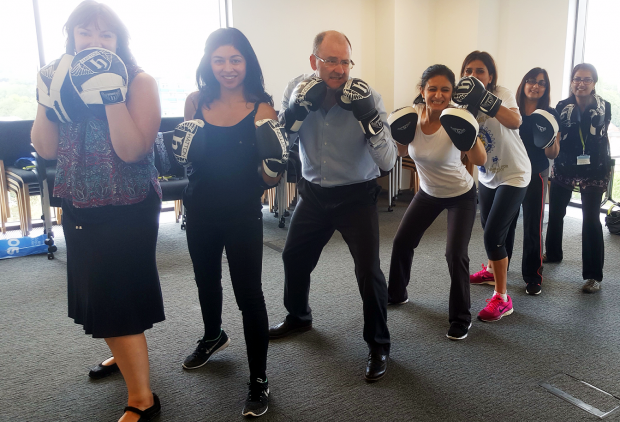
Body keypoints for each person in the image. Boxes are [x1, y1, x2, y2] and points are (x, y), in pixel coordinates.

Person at [31, 1, 164, 421]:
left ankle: (143, 399)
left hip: (127, 204)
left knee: (117, 297)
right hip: (78, 201)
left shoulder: (139, 82)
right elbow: (47, 148)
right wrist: (44, 97)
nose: (94, 41)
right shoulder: (60, 81)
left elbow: (131, 150)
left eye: (105, 35)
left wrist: (109, 93)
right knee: (98, 294)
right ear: (71, 36)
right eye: (85, 33)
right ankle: (123, 358)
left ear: (119, 41)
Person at [270, 30, 397, 382]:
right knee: (293, 256)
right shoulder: (296, 88)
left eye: (345, 61)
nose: (340, 69)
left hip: (356, 195)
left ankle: (378, 344)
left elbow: (388, 161)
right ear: (314, 62)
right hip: (313, 193)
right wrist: (293, 114)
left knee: (368, 271)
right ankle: (299, 316)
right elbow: (283, 146)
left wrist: (369, 119)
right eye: (331, 61)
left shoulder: (368, 95)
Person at [177, 27, 283, 417]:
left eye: (235, 60)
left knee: (248, 295)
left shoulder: (262, 109)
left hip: (241, 213)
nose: (227, 68)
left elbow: (268, 177)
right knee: (206, 280)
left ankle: (259, 379)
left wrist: (274, 168)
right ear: (209, 63)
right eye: (219, 60)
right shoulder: (195, 102)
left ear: (247, 63)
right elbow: (189, 163)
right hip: (200, 209)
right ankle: (212, 336)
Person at [387, 64, 487, 340]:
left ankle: (461, 318)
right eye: (433, 89)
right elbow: (402, 150)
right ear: (422, 91)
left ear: (452, 92)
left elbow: (479, 161)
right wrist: (396, 138)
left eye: (445, 89)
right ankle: (396, 294)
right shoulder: (413, 117)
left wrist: (472, 133)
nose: (439, 95)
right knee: (402, 241)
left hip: (461, 195)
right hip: (428, 193)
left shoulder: (458, 118)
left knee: (455, 254)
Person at [458, 51, 531, 322]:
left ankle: (502, 298)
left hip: (514, 174)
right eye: (468, 71)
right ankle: (491, 271)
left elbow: (515, 121)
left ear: (490, 76)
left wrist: (484, 98)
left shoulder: (502, 93)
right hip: (488, 175)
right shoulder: (462, 104)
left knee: (492, 236)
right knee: (489, 228)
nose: (473, 76)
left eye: (480, 71)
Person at [544, 63, 611, 293]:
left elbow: (599, 137)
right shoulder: (562, 106)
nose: (580, 83)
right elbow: (558, 135)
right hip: (565, 165)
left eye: (586, 79)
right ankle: (552, 253)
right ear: (572, 81)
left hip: (594, 169)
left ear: (594, 83)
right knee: (555, 213)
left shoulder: (605, 107)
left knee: (591, 219)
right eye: (576, 79)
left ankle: (593, 276)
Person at [504, 68, 560, 295]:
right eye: (531, 81)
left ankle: (532, 276)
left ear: (546, 89)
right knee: (505, 222)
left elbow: (553, 154)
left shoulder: (550, 113)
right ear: (523, 83)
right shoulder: (511, 109)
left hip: (536, 172)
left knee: (532, 226)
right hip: (510, 171)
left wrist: (549, 138)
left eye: (541, 83)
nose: (535, 86)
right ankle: (500, 266)